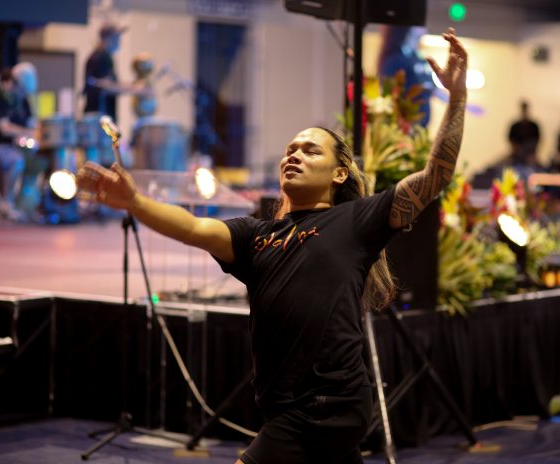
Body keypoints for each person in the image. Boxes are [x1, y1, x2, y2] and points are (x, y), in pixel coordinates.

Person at [78, 27, 467, 464]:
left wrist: (456, 98)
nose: (293, 156)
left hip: (327, 406)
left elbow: (436, 175)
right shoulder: (255, 237)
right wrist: (134, 201)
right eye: (289, 150)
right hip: (283, 406)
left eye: (309, 151)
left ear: (340, 174)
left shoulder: (357, 221)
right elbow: (190, 227)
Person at [0, 67, 36, 218]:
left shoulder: (23, 101)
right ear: (10, 83)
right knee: (15, 160)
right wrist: (26, 132)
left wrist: (31, 132)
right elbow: (4, 128)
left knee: (42, 159)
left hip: (23, 146)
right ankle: (8, 203)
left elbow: (32, 123)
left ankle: (30, 201)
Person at [83, 22, 134, 122]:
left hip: (102, 119)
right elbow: (105, 86)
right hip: (99, 119)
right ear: (107, 38)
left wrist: (133, 85)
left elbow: (111, 83)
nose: (119, 41)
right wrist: (136, 90)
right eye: (116, 38)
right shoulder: (100, 57)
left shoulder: (104, 57)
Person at [507, 100, 540, 167]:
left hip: (530, 155)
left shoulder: (534, 126)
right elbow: (511, 140)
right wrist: (518, 150)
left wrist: (531, 154)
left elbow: (536, 141)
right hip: (516, 156)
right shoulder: (515, 126)